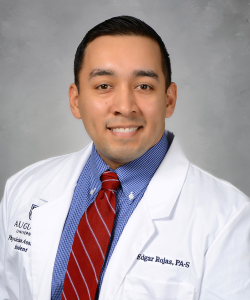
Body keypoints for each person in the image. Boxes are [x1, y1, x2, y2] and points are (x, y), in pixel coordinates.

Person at [0, 15, 249, 300]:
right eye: (104, 86)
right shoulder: (23, 189)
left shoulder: (229, 219)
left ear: (168, 99)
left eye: (143, 86)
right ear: (76, 100)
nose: (124, 106)